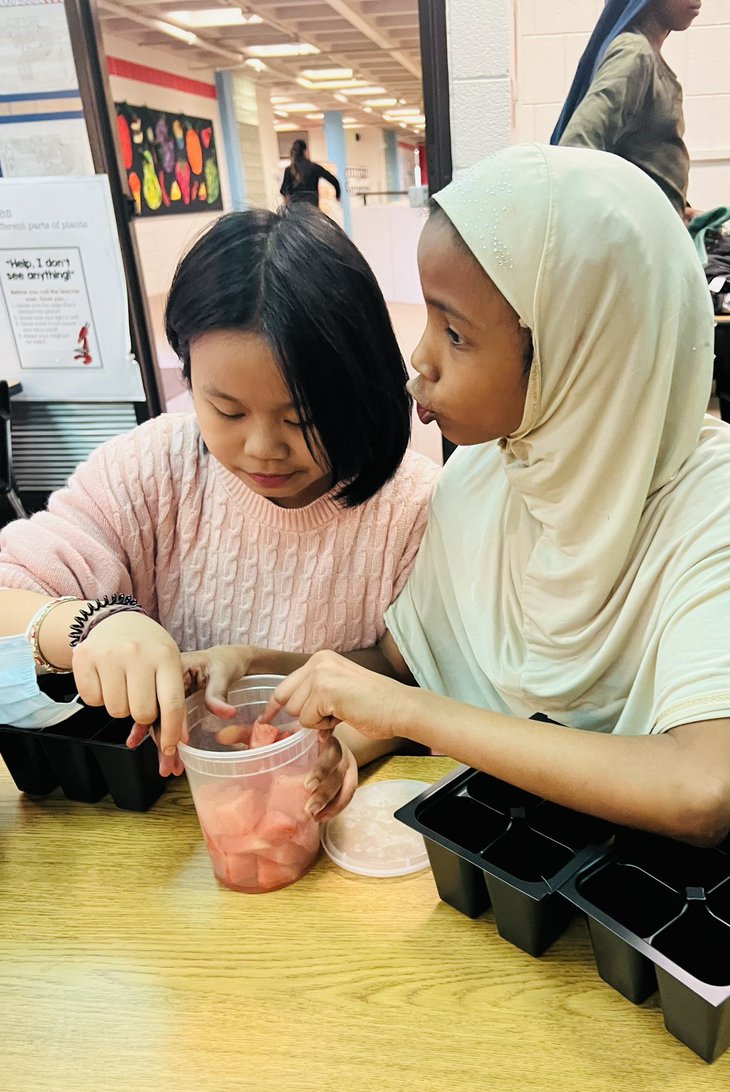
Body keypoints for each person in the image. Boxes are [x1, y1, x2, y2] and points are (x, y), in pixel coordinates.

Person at [253, 144, 730, 847]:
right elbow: (407, 668)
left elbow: (697, 791)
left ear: (580, 348)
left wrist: (408, 714)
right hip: (514, 853)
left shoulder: (706, 489)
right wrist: (268, 676)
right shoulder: (480, 476)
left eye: (456, 332)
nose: (421, 358)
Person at [0, 205, 438, 818]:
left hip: (308, 816)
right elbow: (9, 592)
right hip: (149, 818)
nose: (262, 449)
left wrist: (339, 744)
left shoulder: (413, 507)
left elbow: (407, 673)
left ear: (360, 386)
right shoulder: (154, 468)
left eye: (302, 418)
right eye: (227, 411)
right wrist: (90, 625)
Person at [551, 0, 702, 216]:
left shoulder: (645, 54)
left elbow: (642, 160)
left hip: (659, 235)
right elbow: (576, 149)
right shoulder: (634, 54)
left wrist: (681, 210)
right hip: (641, 243)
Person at [279, 139, 342, 208]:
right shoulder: (314, 167)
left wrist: (287, 201)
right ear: (305, 152)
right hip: (312, 205)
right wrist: (337, 195)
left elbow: (283, 190)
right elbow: (333, 180)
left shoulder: (289, 169)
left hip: (295, 207)